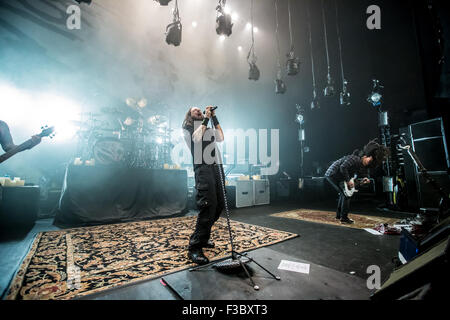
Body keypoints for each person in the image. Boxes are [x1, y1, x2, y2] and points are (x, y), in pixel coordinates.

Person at [182, 106, 225, 265]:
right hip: (203, 168)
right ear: (190, 115)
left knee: (219, 204)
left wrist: (214, 118)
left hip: (216, 167)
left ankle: (203, 235)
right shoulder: (188, 127)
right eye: (195, 110)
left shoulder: (206, 126)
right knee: (208, 205)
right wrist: (206, 118)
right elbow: (196, 139)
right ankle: (195, 247)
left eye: (200, 110)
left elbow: (220, 137)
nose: (199, 111)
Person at [325, 139, 390, 224]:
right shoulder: (355, 159)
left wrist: (366, 179)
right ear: (365, 156)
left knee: (343, 193)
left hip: (339, 176)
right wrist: (348, 181)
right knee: (346, 194)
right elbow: (343, 167)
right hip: (332, 174)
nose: (369, 163)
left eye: (371, 162)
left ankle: (339, 216)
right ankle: (344, 218)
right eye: (369, 160)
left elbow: (364, 173)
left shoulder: (363, 165)